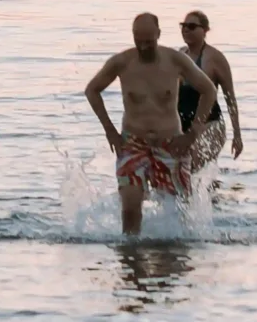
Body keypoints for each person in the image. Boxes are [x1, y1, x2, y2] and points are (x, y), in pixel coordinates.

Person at [84, 13, 220, 235]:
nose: (144, 46)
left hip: (170, 143)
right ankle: (131, 256)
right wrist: (110, 130)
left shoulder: (176, 60)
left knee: (177, 209)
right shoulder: (121, 62)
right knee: (130, 207)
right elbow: (92, 90)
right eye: (139, 41)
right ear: (133, 36)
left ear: (158, 35)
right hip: (133, 142)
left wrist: (193, 133)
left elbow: (209, 91)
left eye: (149, 41)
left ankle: (173, 257)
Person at [178, 10, 243, 173]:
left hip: (210, 124)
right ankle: (212, 195)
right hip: (184, 124)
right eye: (183, 26)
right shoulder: (179, 55)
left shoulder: (215, 58)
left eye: (191, 26)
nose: (186, 30)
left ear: (205, 31)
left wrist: (237, 135)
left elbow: (230, 98)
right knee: (181, 171)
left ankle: (210, 196)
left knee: (195, 165)